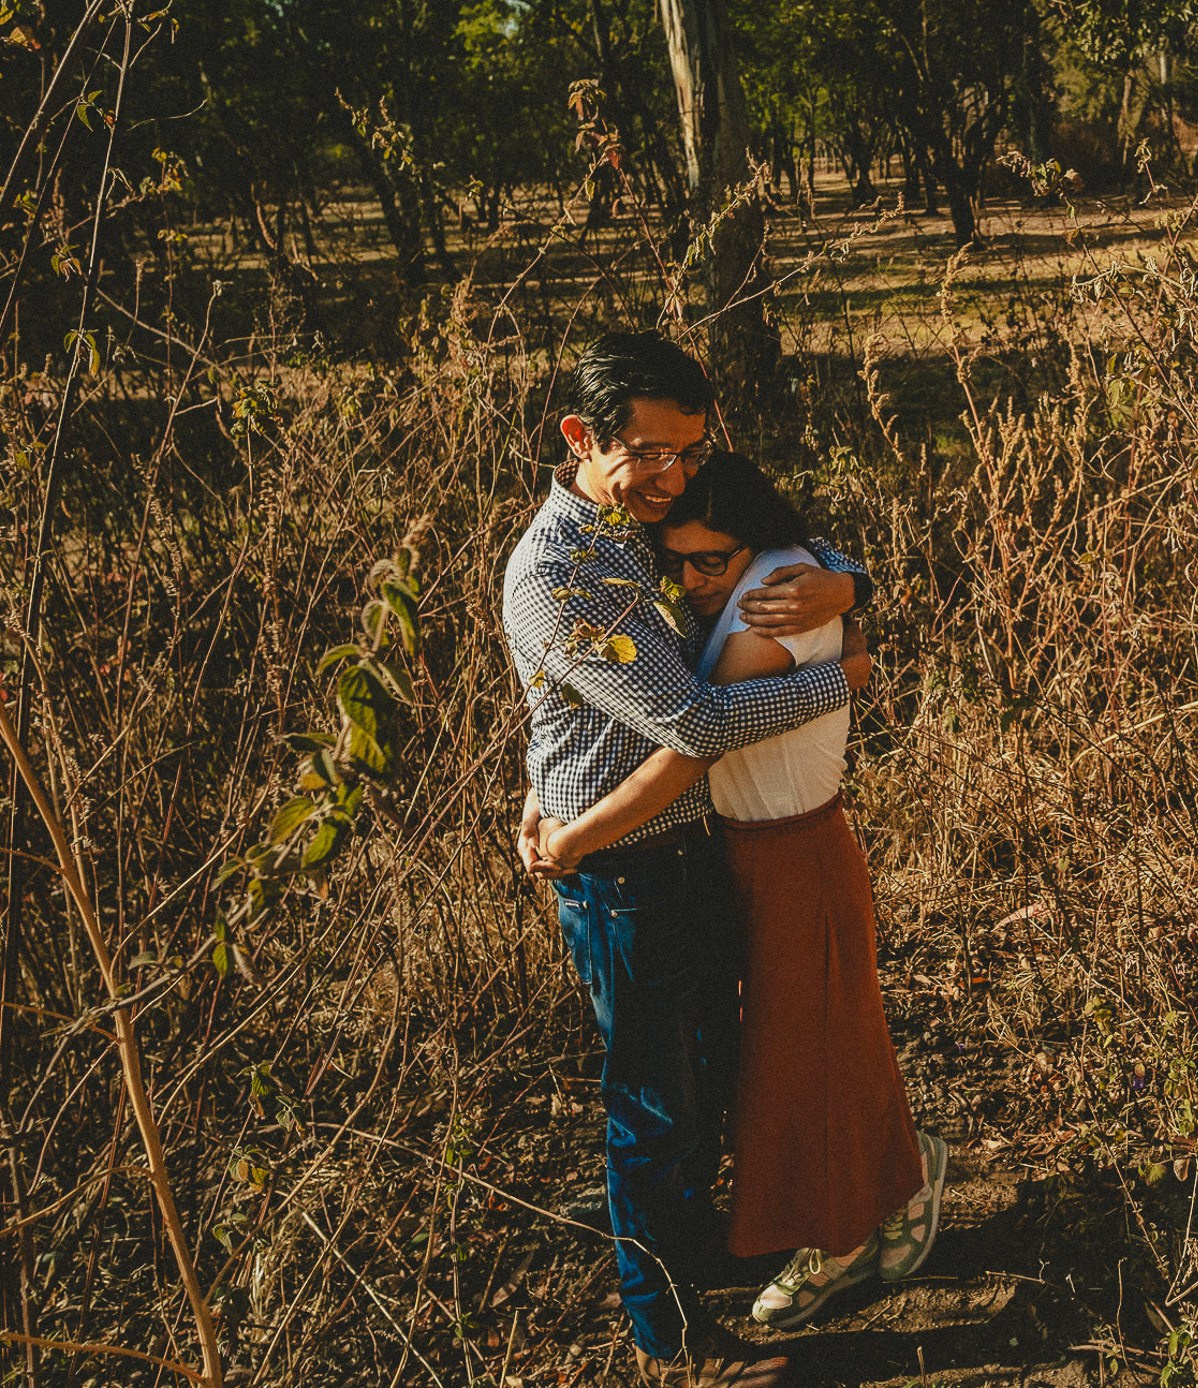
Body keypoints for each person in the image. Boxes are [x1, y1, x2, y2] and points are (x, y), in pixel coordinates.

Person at [503, 332, 873, 1388]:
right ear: (581, 438)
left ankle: (691, 1251)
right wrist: (844, 674)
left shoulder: (642, 516)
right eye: (652, 453)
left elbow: (769, 532)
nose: (676, 475)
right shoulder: (558, 569)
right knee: (651, 1104)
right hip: (618, 872)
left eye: (688, 450)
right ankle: (666, 1340)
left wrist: (848, 580)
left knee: (705, 1074)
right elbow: (693, 718)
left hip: (686, 847)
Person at [537, 452, 947, 1335]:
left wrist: (574, 837)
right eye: (673, 560)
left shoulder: (774, 601)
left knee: (804, 1053)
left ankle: (836, 1241)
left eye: (707, 561)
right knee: (819, 1039)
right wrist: (852, 599)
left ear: (751, 549)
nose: (687, 581)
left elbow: (695, 739)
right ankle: (899, 1172)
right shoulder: (780, 576)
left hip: (791, 854)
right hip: (752, 853)